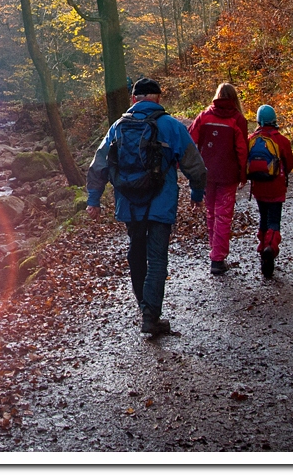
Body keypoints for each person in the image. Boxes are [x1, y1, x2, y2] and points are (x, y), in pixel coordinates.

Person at [86, 78, 208, 336]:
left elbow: (99, 165)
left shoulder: (117, 127)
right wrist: (197, 193)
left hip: (129, 203)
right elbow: (195, 166)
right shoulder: (172, 126)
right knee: (157, 259)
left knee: (136, 254)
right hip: (160, 204)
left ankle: (145, 310)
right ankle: (151, 316)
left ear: (133, 100)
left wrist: (93, 200)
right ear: (158, 98)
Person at [189, 83, 249, 275]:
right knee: (223, 215)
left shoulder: (204, 116)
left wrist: (193, 169)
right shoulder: (237, 119)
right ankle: (218, 257)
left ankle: (215, 253)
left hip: (207, 173)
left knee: (211, 213)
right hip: (228, 174)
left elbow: (191, 140)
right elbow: (242, 150)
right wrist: (242, 173)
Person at [249, 104, 293, 278]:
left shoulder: (252, 138)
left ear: (259, 120)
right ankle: (270, 247)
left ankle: (263, 250)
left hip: (259, 187)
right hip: (276, 186)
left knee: (263, 218)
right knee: (274, 220)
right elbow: (289, 164)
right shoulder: (282, 140)